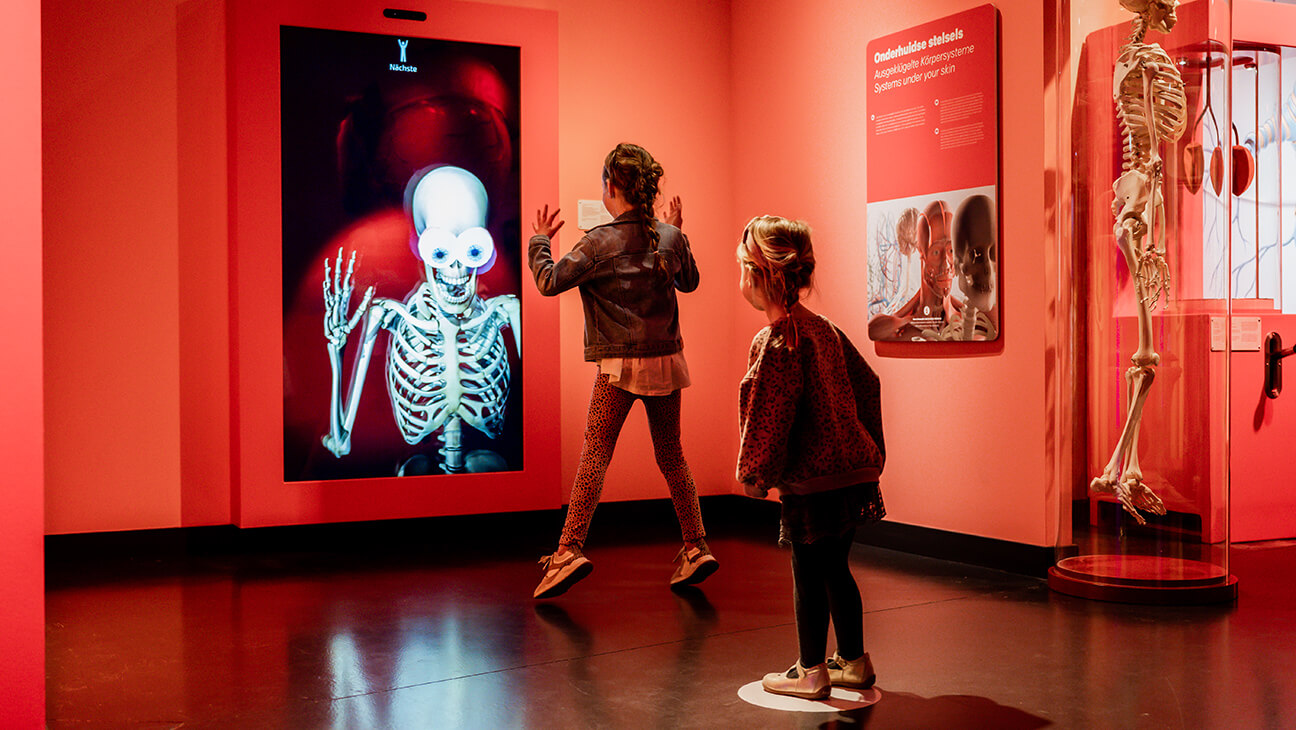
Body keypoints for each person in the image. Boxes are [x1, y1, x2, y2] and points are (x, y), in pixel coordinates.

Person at [527, 143, 718, 600]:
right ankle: (696, 546)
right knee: (672, 455)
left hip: (617, 366)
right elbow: (689, 282)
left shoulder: (597, 241)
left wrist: (538, 239)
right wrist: (677, 232)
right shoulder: (667, 237)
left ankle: (568, 551)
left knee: (596, 453)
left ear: (611, 185)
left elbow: (549, 281)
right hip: (667, 363)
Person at [735, 215, 886, 700]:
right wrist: (870, 448)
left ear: (763, 276)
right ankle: (854, 661)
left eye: (743, 269)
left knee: (806, 568)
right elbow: (869, 383)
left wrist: (755, 473)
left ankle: (810, 669)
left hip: (814, 483)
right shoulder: (825, 329)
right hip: (851, 472)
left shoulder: (779, 338)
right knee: (836, 566)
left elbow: (770, 410)